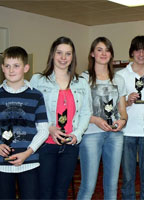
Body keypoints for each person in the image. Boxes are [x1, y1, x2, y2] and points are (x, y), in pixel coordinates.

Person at [30, 36, 92, 199]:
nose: (63, 58)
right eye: (59, 53)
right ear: (52, 55)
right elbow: (32, 111)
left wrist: (77, 135)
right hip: (45, 145)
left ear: (73, 57)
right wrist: (49, 128)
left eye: (68, 54)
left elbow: (86, 112)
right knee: (44, 192)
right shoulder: (38, 80)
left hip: (70, 146)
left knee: (61, 192)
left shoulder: (81, 83)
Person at [77, 37, 128, 199]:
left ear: (111, 54)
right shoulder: (82, 79)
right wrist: (95, 120)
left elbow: (122, 109)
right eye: (99, 50)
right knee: (88, 185)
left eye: (107, 50)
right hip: (91, 134)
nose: (103, 53)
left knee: (112, 185)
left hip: (115, 135)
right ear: (92, 54)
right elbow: (77, 111)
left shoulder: (118, 80)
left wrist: (123, 121)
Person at [0, 46, 48, 199]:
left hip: (29, 162)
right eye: (7, 66)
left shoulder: (36, 95)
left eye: (16, 66)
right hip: (2, 165)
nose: (11, 70)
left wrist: (28, 153)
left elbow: (44, 130)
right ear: (2, 68)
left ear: (26, 68)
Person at [117, 35, 144, 199]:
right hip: (126, 132)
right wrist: (127, 103)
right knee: (127, 178)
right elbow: (111, 106)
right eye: (137, 50)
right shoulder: (120, 75)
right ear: (132, 52)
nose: (141, 54)